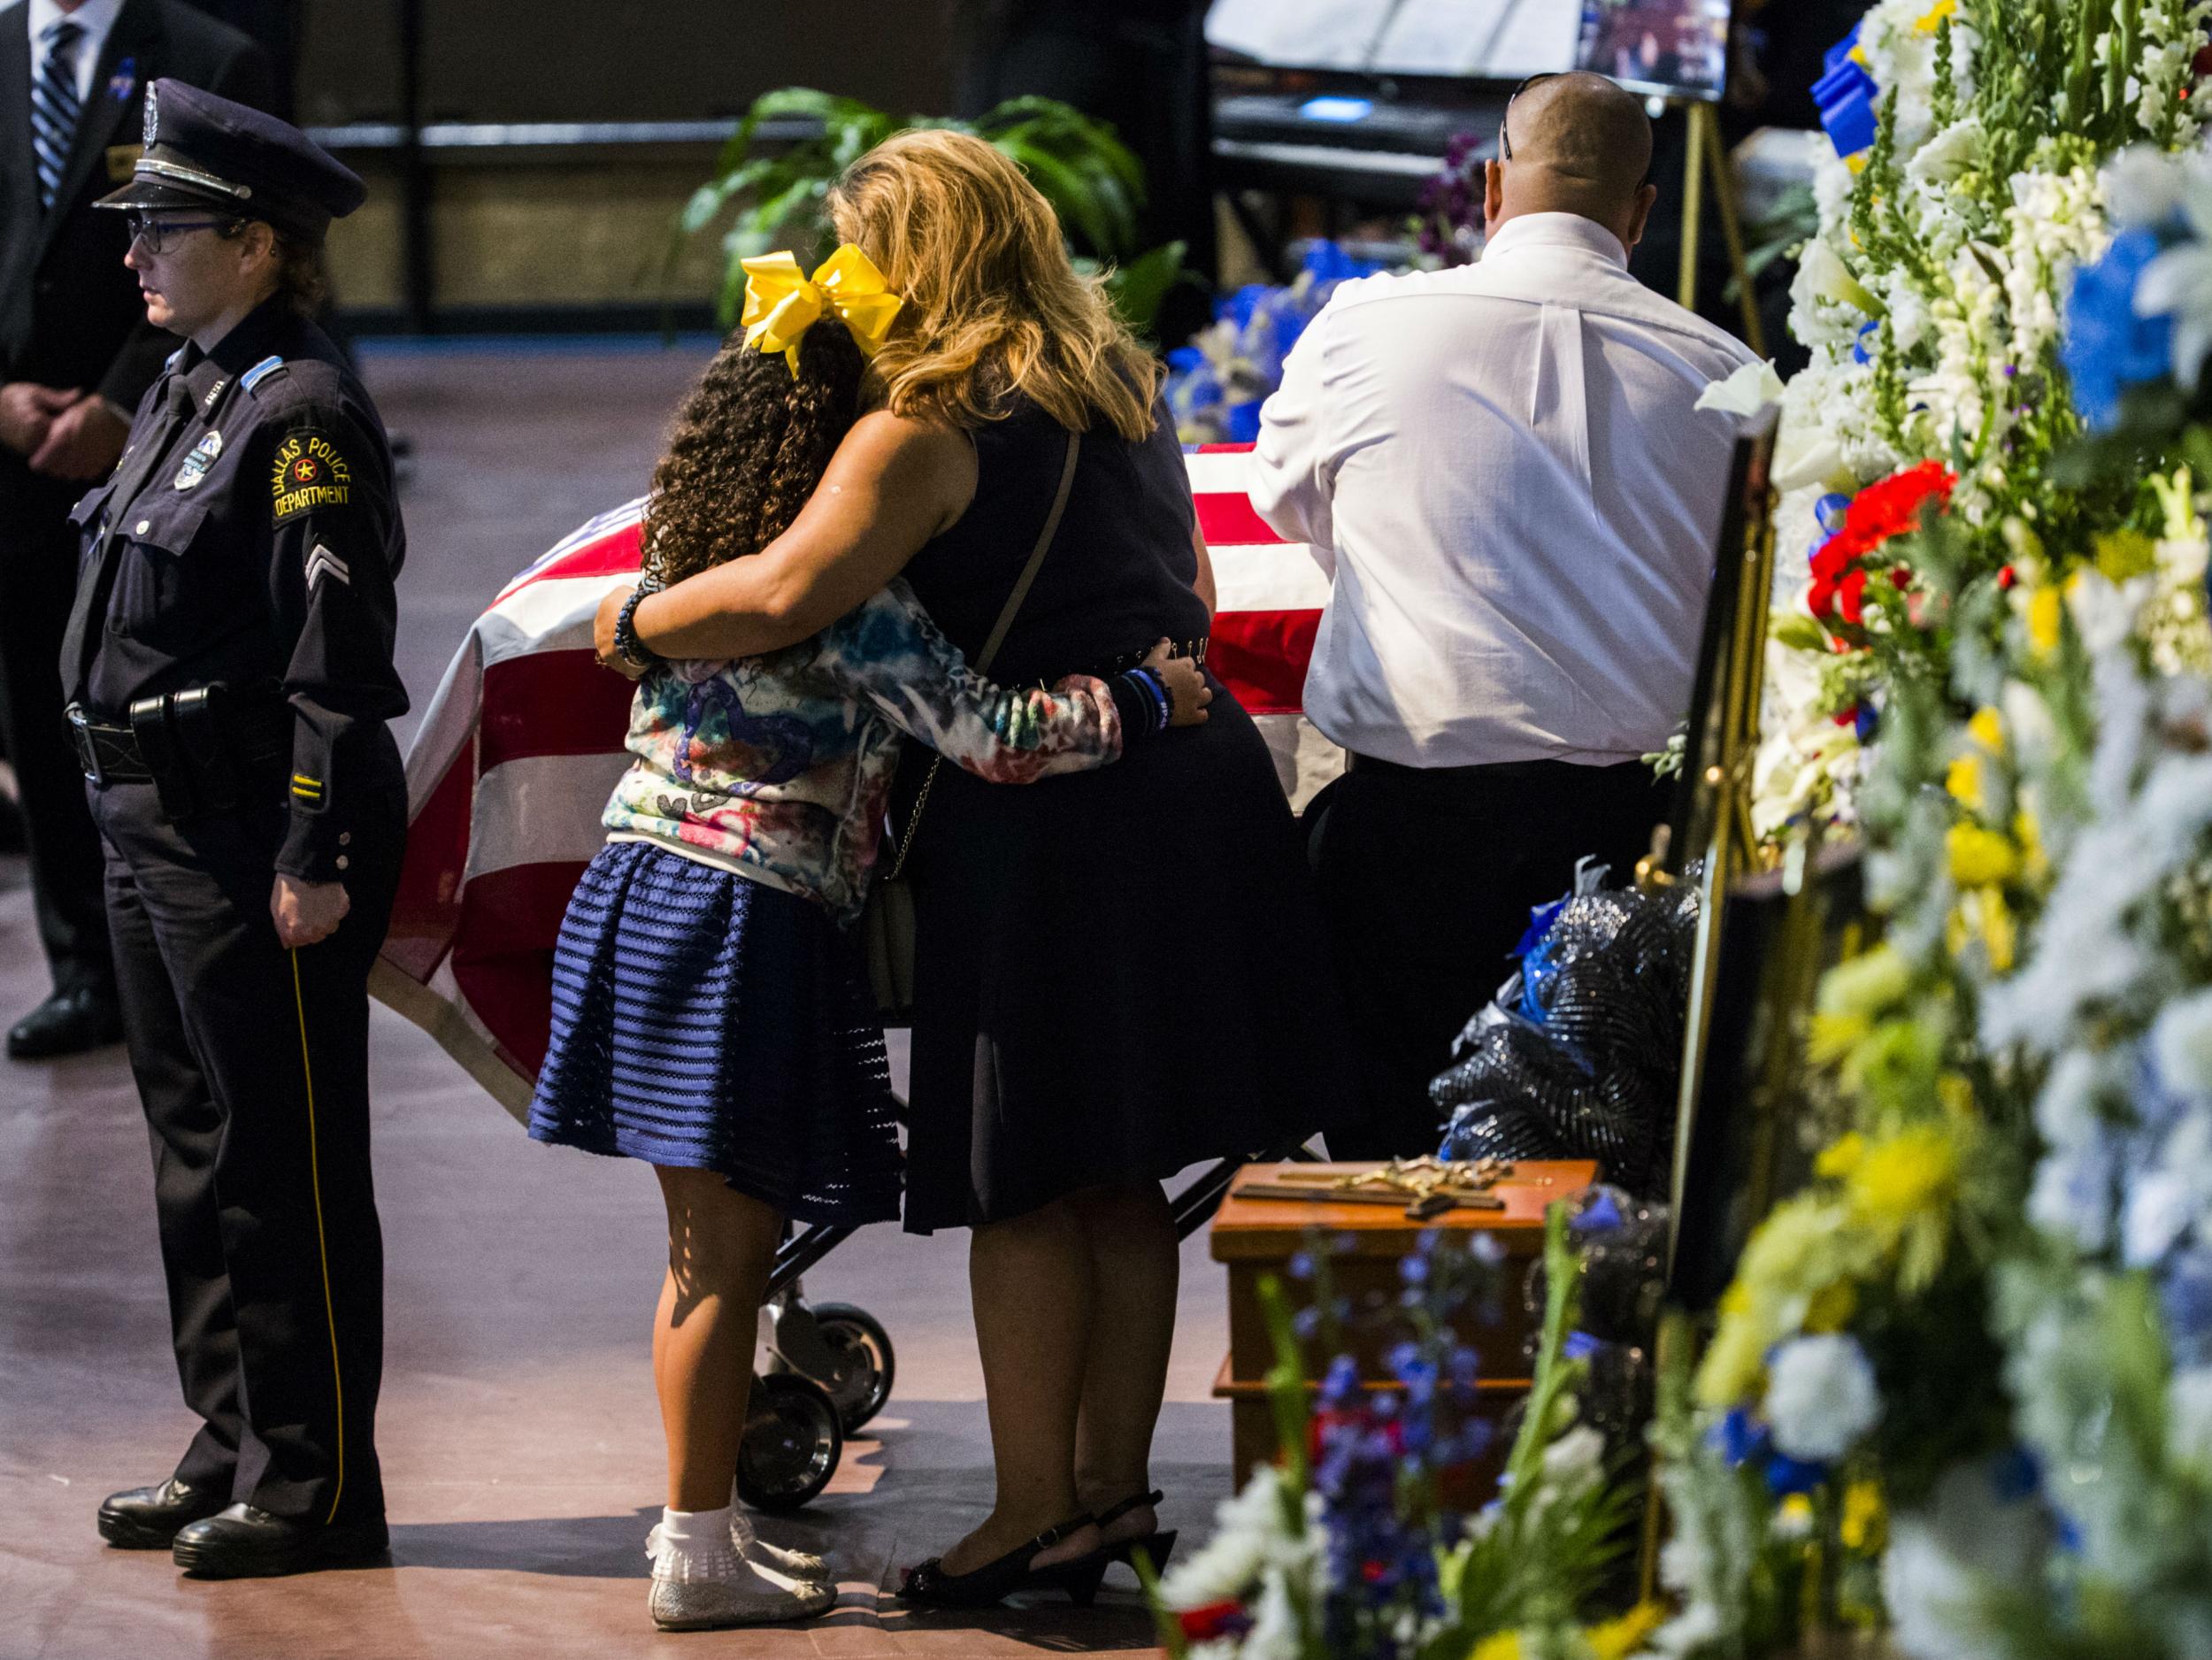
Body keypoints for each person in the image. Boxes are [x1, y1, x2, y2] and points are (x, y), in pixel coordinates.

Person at [598, 127, 1348, 1610]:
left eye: (859, 249)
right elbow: (1190, 593)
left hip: (1053, 826)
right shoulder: (1123, 395)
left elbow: (791, 591)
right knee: (1123, 1179)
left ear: (914, 255)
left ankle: (1023, 1513)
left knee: (1026, 1187)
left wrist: (637, 620)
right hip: (1193, 801)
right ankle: (1111, 1494)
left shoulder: (920, 430)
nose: (842, 279)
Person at [537, 246, 1210, 1632]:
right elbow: (996, 737)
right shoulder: (855, 603)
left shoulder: (679, 562)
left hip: (641, 889)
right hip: (749, 912)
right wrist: (1149, 701)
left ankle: (700, 1532)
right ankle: (695, 1553)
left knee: (700, 1251)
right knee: (725, 1253)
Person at [1249, 71, 1760, 1159]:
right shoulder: (1731, 379)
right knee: (1616, 1181)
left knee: (1398, 1175)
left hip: (1406, 847)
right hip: (1638, 853)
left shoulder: (1362, 329)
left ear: (1491, 188)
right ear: (1642, 209)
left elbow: (1283, 499)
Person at [65, 80, 405, 1578]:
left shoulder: (305, 413)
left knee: (286, 1162)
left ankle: (319, 1481)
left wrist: (313, 854)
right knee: (195, 1154)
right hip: (148, 819)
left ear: (260, 245)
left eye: (165, 227)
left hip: (246, 829)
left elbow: (336, 662)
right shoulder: (193, 382)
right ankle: (235, 1439)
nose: (135, 250)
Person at [0, 0, 272, 1058]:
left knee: (167, 703)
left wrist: (123, 402)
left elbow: (263, 249)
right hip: (13, 456)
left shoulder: (209, 57)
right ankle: (84, 970)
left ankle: (185, 943)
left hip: (168, 442)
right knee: (34, 700)